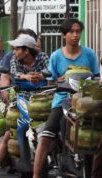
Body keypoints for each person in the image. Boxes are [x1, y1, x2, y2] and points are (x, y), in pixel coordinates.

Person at [32, 19, 100, 178]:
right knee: (45, 137)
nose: (76, 35)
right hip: (61, 101)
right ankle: (35, 175)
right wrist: (59, 81)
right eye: (72, 32)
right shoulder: (56, 56)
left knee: (95, 136)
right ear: (64, 35)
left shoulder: (89, 54)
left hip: (86, 103)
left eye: (78, 31)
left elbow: (97, 78)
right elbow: (51, 82)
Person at [0, 34, 49, 178]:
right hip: (21, 98)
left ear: (26, 51)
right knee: (8, 134)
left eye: (16, 49)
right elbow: (14, 74)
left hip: (42, 98)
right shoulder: (14, 59)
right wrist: (26, 77)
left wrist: (40, 76)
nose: (13, 52)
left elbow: (49, 72)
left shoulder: (43, 57)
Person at [0, 28, 39, 102]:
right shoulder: (11, 57)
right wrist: (5, 92)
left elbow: (49, 75)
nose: (15, 52)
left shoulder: (41, 57)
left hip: (39, 97)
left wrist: (39, 77)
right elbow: (6, 77)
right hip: (18, 96)